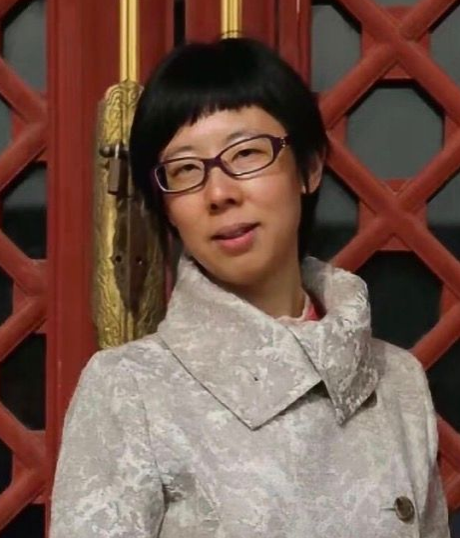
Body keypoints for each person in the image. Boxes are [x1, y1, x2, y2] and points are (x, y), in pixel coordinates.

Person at [50, 38, 450, 538]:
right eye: (185, 170)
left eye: (245, 154)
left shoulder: (396, 382)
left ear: (309, 167)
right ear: (166, 208)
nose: (219, 193)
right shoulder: (129, 390)